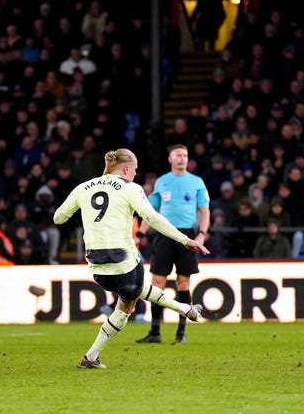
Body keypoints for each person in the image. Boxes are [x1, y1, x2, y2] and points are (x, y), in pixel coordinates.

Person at [53, 148, 209, 369]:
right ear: (126, 168)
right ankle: (184, 309)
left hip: (97, 266)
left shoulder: (83, 187)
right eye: (134, 170)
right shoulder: (130, 188)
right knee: (129, 301)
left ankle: (91, 358)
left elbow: (58, 218)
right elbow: (152, 217)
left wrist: (85, 212)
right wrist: (185, 240)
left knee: (133, 292)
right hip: (124, 259)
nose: (135, 174)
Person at [136, 144, 210, 344]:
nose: (182, 158)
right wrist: (140, 233)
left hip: (186, 236)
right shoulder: (162, 182)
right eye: (178, 155)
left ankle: (181, 333)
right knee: (157, 283)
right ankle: (155, 333)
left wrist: (202, 233)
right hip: (164, 235)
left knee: (183, 284)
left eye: (185, 155)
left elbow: (205, 211)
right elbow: (151, 212)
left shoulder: (196, 182)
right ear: (170, 159)